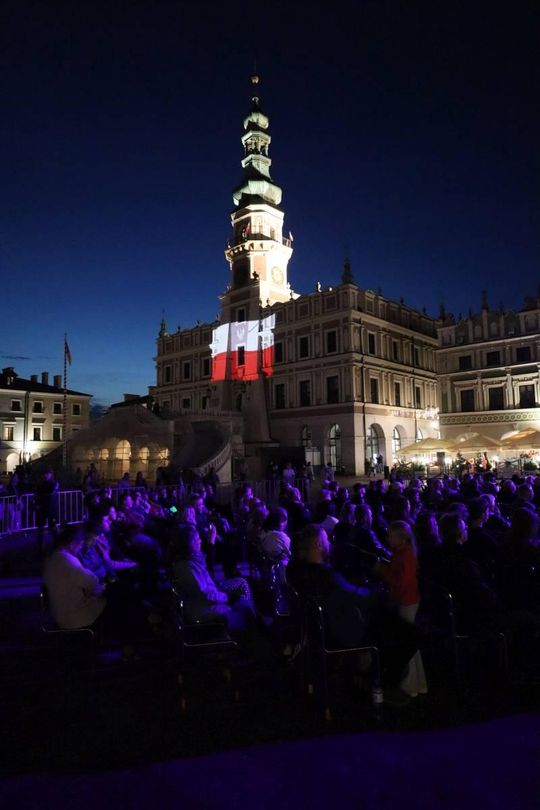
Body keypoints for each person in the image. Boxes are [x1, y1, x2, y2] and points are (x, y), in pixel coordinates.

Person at [376, 521, 427, 697]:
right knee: (410, 644)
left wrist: (383, 572)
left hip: (407, 602)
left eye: (391, 535)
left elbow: (401, 582)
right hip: (405, 601)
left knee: (408, 645)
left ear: (401, 538)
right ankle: (417, 683)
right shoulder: (401, 553)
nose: (388, 538)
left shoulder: (405, 556)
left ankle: (411, 684)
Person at [43, 525, 106, 630]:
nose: (81, 546)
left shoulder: (53, 557)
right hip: (74, 617)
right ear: (73, 543)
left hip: (61, 614)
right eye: (80, 543)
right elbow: (91, 581)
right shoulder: (67, 559)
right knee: (112, 604)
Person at [34, 468, 59, 556]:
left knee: (52, 527)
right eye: (45, 474)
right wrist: (37, 503)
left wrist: (41, 494)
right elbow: (37, 494)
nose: (46, 475)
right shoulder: (41, 484)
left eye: (48, 474)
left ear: (51, 474)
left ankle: (58, 544)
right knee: (40, 528)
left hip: (51, 508)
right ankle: (40, 548)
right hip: (42, 508)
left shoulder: (54, 483)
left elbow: (50, 492)